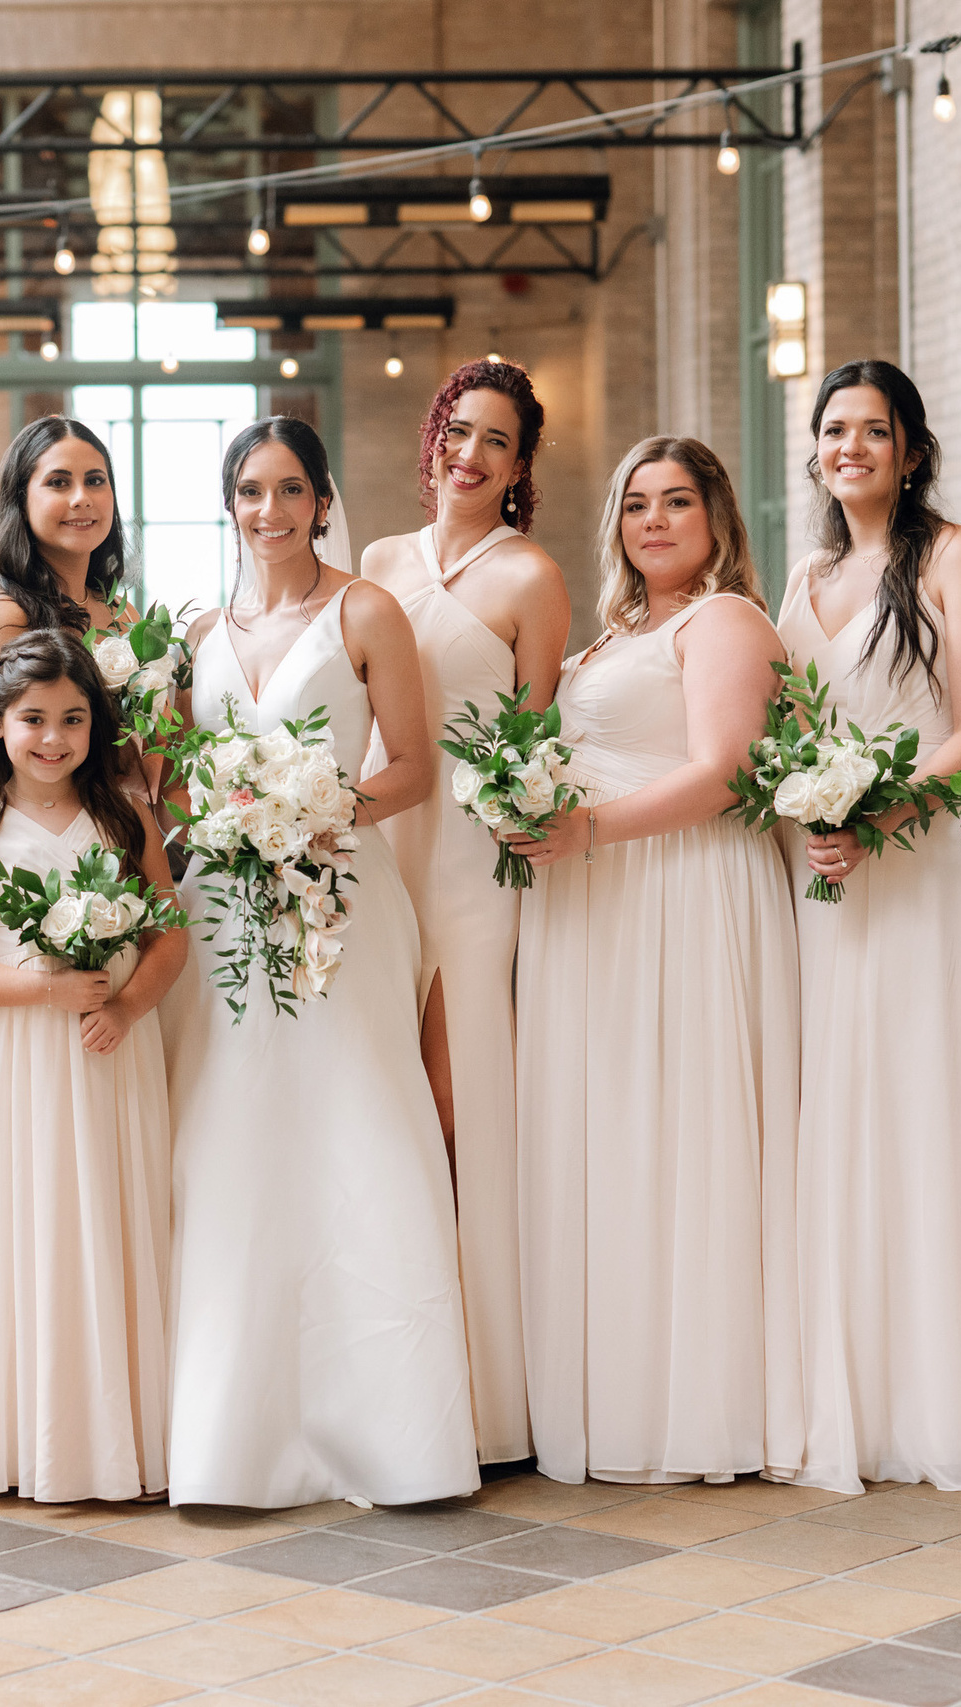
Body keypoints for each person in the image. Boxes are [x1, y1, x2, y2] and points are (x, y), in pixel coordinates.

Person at [160, 416, 480, 1509]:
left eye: (288, 490)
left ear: (321, 497)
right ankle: (229, 1432)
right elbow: (174, 781)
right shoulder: (200, 629)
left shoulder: (365, 611)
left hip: (341, 900)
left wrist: (319, 807)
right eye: (249, 492)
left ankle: (390, 1434)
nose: (268, 511)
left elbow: (416, 767)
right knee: (231, 1137)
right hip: (222, 916)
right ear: (229, 503)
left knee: (359, 1126)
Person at [504, 437, 802, 1484]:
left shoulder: (724, 621)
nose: (656, 522)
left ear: (717, 515)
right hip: (600, 908)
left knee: (681, 1130)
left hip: (679, 893)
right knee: (607, 1132)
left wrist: (587, 831)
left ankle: (698, 1401)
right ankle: (611, 1386)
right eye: (637, 504)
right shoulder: (615, 635)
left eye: (678, 502)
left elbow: (723, 773)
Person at [777, 360, 961, 1494]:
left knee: (918, 1101)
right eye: (834, 430)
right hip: (820, 876)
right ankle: (843, 1386)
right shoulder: (807, 571)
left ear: (912, 449)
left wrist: (885, 813)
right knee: (836, 1101)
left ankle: (931, 1396)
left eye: (874, 431)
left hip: (916, 869)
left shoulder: (954, 557)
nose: (851, 448)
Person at [359, 360, 570, 1465]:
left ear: (521, 465)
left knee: (457, 1100)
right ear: (433, 437)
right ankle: (390, 1346)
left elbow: (536, 734)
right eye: (458, 431)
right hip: (375, 840)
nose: (470, 455)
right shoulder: (381, 562)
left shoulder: (530, 577)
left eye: (496, 441)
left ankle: (482, 1382)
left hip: (472, 861)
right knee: (380, 1087)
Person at [0, 630, 186, 1502]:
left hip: (110, 1053)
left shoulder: (124, 814)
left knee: (111, 1219)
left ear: (96, 724)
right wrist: (42, 992)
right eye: (34, 718)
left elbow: (170, 938)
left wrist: (124, 1004)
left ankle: (122, 1435)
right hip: (23, 1056)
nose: (53, 737)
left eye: (73, 719)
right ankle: (30, 1435)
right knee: (31, 1223)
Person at [0, 416, 134, 709]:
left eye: (94, 481)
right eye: (58, 483)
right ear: (21, 501)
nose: (81, 498)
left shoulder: (123, 613)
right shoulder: (3, 618)